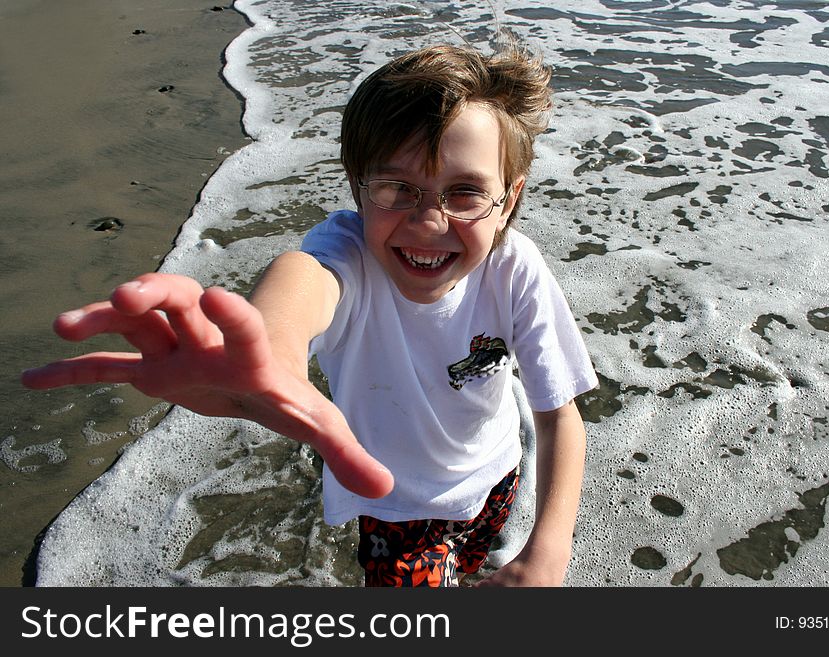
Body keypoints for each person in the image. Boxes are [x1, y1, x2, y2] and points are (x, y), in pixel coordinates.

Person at [22, 42, 598, 587]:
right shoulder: (347, 254)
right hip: (396, 506)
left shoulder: (515, 268)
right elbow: (303, 282)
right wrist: (270, 352)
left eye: (465, 192)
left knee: (478, 560)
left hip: (497, 471)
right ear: (357, 186)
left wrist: (546, 552)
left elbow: (557, 416)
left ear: (510, 199)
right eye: (396, 188)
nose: (428, 222)